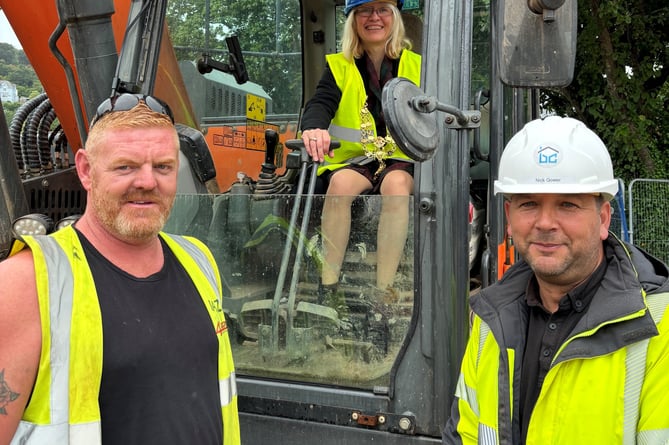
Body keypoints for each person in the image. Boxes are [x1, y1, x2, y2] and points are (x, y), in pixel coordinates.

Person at [0, 93, 240, 445]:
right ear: (85, 169)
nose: (147, 182)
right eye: (125, 166)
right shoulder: (26, 282)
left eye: (163, 167)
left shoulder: (199, 261)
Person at [442, 116, 669, 444]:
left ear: (603, 218)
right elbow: (461, 434)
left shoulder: (657, 326)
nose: (545, 222)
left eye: (567, 204)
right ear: (508, 218)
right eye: (530, 204)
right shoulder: (490, 319)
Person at [300, 0, 421, 309]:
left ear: (394, 17)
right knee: (339, 186)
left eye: (382, 9)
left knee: (395, 188)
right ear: (353, 21)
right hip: (358, 159)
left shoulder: (418, 65)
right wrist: (314, 127)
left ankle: (383, 293)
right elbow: (321, 102)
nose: (374, 17)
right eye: (365, 11)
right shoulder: (339, 66)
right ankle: (329, 289)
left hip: (400, 158)